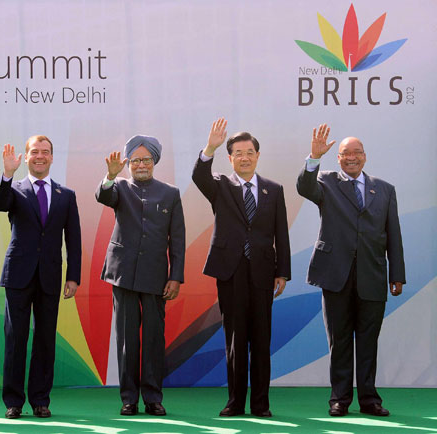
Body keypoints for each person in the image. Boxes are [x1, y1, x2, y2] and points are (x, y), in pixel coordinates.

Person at [296, 124, 405, 417]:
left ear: (365, 157)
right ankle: (339, 399)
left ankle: (369, 400)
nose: (351, 158)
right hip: (335, 275)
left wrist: (397, 275)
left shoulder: (384, 189)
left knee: (368, 341)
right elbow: (304, 188)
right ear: (338, 158)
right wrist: (313, 157)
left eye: (356, 153)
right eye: (345, 153)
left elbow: (392, 234)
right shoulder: (326, 181)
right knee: (340, 340)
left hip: (373, 275)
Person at [192, 118, 290, 418]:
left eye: (249, 152)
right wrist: (210, 146)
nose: (244, 157)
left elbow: (280, 234)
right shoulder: (220, 186)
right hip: (230, 271)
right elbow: (199, 175)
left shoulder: (273, 190)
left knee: (261, 340)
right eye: (238, 153)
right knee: (235, 340)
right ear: (230, 157)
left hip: (262, 273)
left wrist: (282, 271)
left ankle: (261, 404)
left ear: (257, 156)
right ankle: (235, 402)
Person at [0, 135, 81, 419]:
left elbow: (74, 239)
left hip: (50, 276)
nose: (40, 156)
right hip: (18, 274)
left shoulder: (66, 195)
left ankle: (40, 399)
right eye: (34, 152)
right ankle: (14, 401)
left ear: (52, 157)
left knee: (44, 340)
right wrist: (7, 174)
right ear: (26, 157)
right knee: (15, 338)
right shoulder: (14, 189)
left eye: (45, 152)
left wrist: (73, 276)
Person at [96, 135, 185, 416]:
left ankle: (153, 397)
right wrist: (109, 176)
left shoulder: (170, 193)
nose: (141, 165)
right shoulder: (119, 187)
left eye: (146, 159)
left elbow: (178, 239)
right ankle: (128, 398)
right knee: (126, 339)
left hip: (156, 276)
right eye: (135, 160)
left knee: (154, 339)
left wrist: (176, 276)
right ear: (128, 164)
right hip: (122, 273)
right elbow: (103, 195)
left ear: (154, 161)